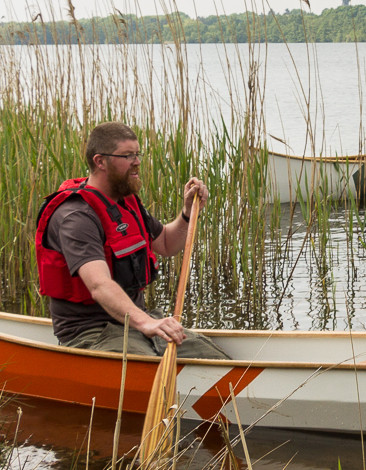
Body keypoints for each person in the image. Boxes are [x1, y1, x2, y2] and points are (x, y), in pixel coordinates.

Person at [35, 121, 230, 359]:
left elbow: (167, 244)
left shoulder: (126, 201)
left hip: (135, 325)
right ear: (100, 161)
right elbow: (99, 285)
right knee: (147, 366)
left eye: (137, 154)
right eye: (128, 155)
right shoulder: (76, 217)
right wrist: (146, 323)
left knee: (215, 358)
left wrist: (188, 212)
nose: (137, 162)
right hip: (92, 332)